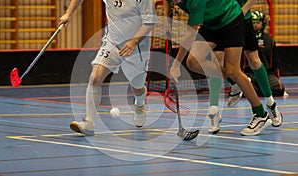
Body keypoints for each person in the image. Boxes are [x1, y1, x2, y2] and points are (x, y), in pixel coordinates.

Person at [164, 0, 271, 136]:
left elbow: (190, 34)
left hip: (231, 19)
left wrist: (176, 65)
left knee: (233, 70)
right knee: (193, 62)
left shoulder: (195, 1)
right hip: (210, 24)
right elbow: (166, 1)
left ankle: (260, 114)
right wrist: (167, 21)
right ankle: (235, 82)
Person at [59, 0, 157, 135]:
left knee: (137, 87)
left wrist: (133, 42)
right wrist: (68, 14)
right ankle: (89, 123)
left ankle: (140, 101)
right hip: (113, 42)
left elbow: (150, 22)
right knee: (95, 77)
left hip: (137, 47)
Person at [243, 10, 285, 97]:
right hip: (250, 73)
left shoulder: (270, 40)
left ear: (263, 23)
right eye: (253, 22)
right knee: (244, 88)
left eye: (258, 22)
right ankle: (261, 91)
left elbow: (275, 62)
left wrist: (276, 76)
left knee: (278, 88)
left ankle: (260, 91)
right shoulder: (245, 39)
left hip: (268, 73)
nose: (255, 25)